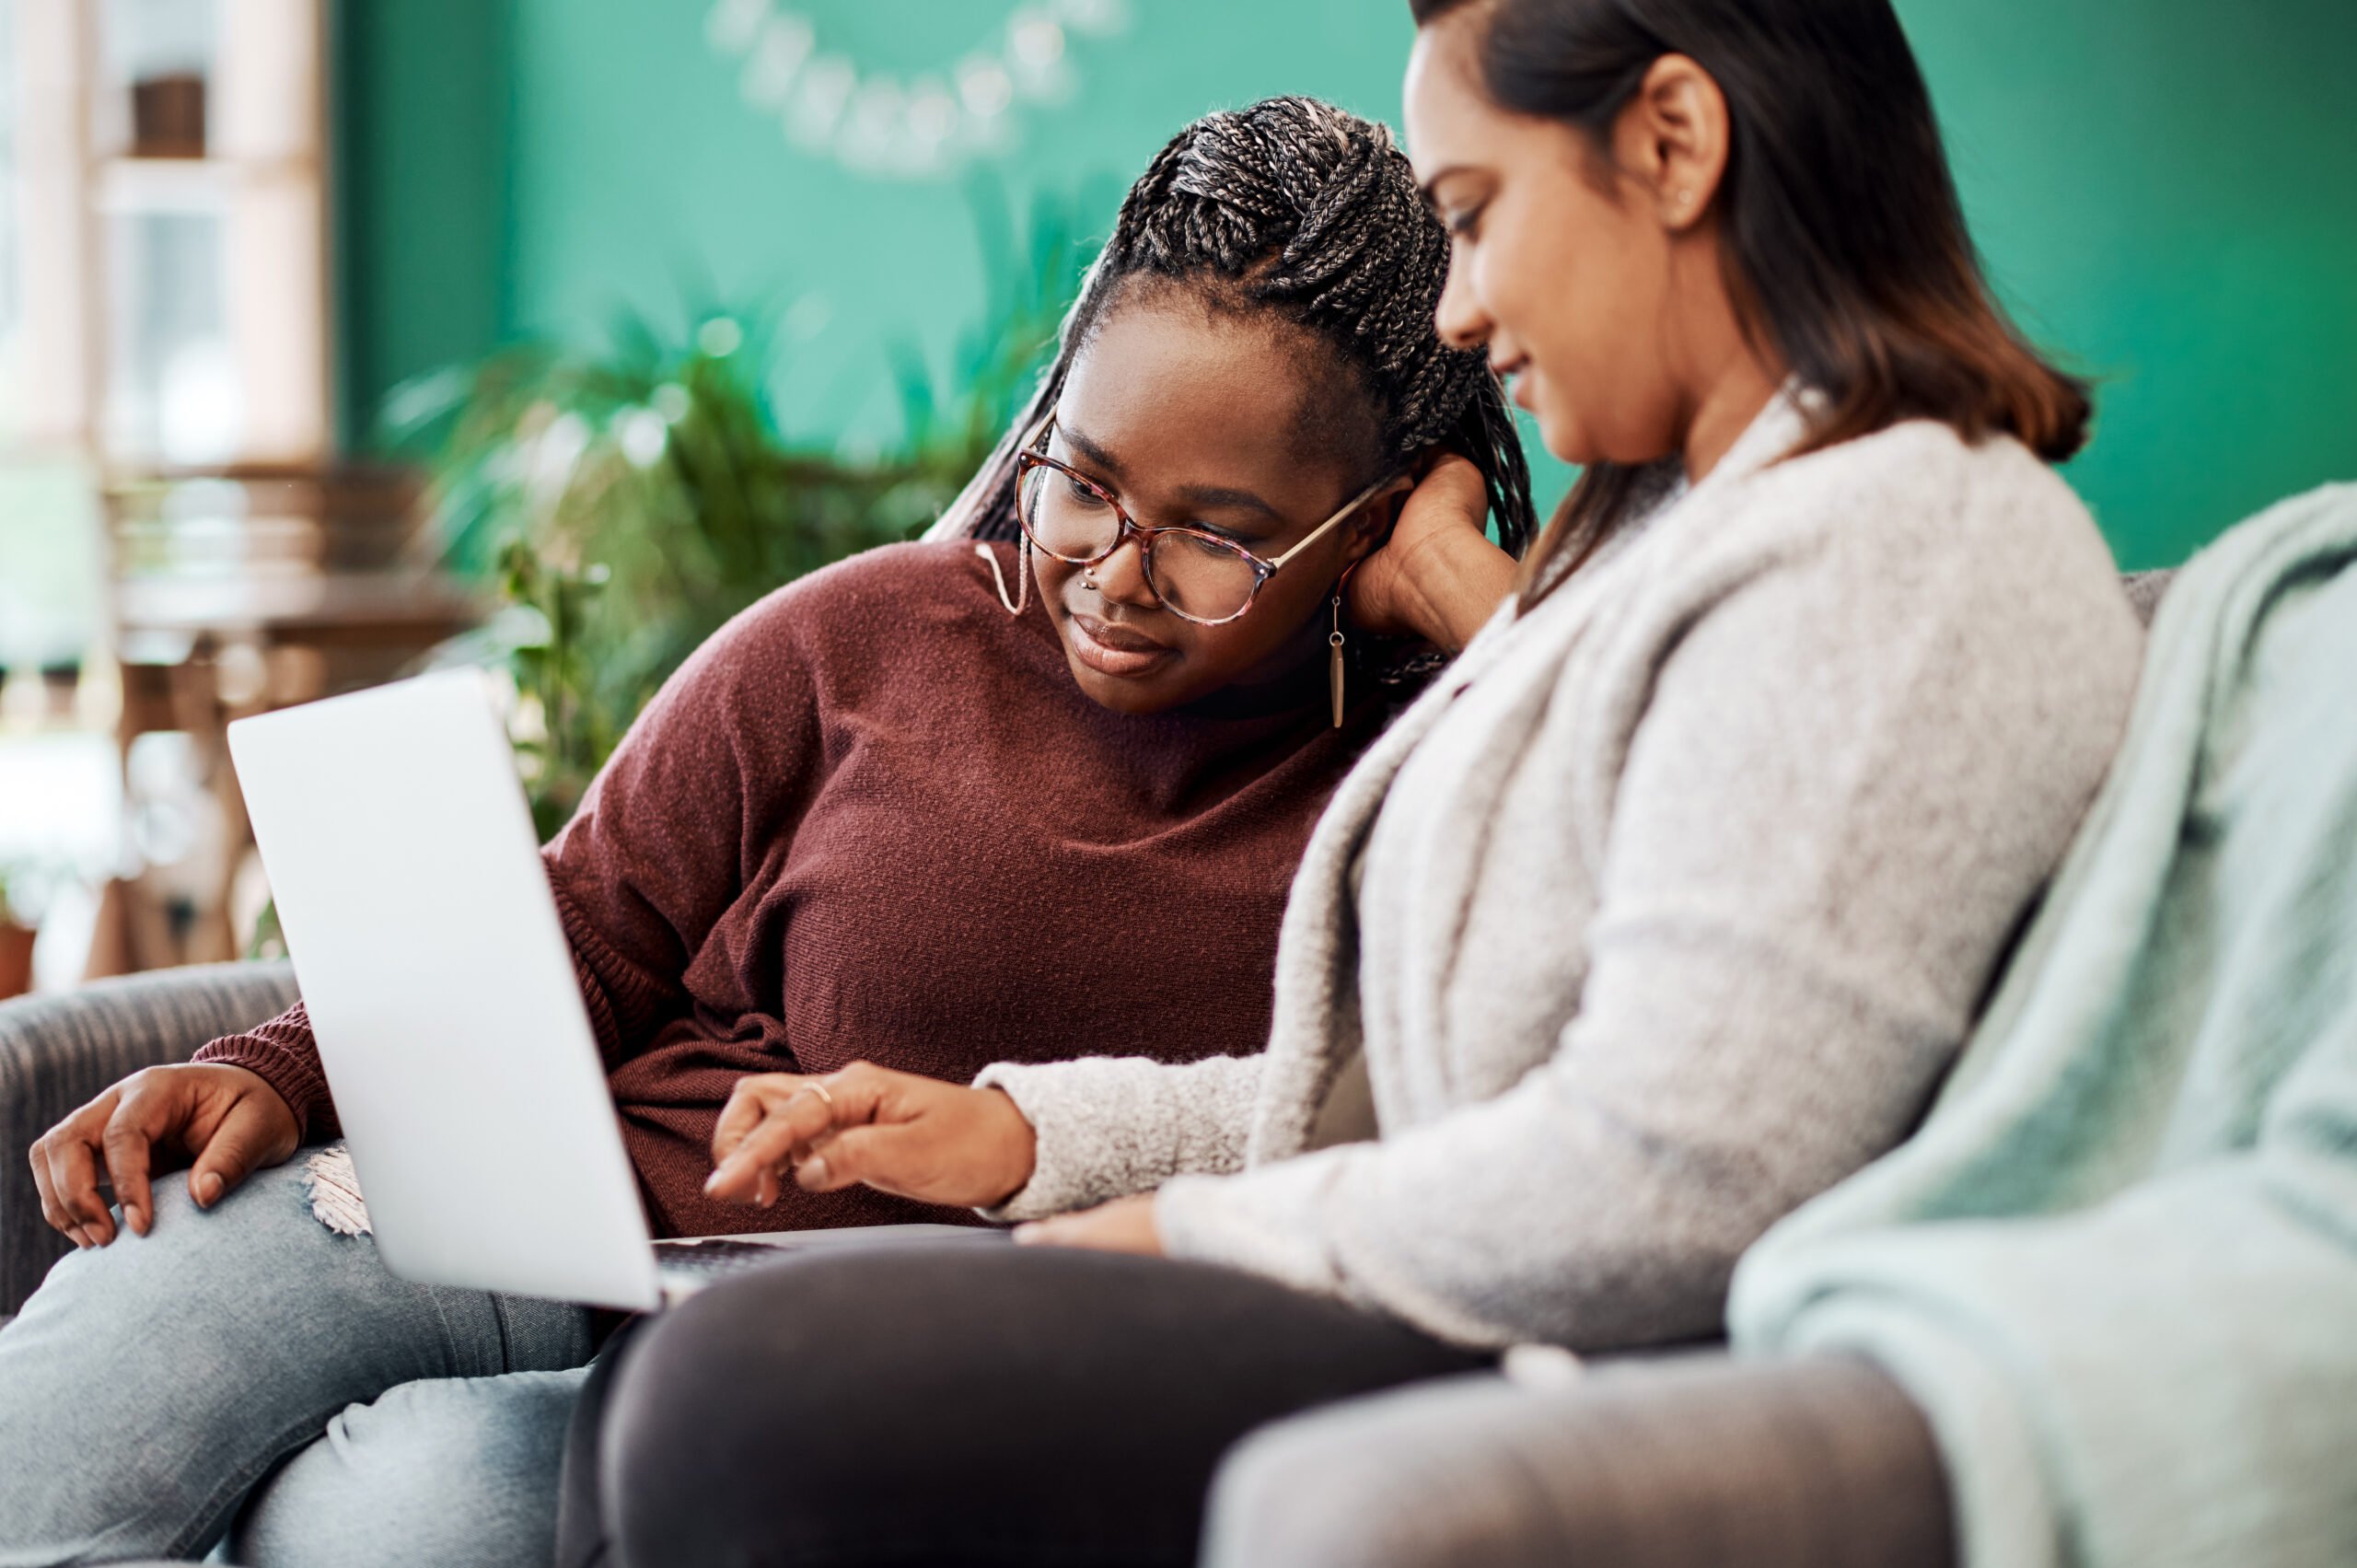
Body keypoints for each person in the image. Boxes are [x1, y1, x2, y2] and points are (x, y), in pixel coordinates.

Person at [559, 2, 2149, 1564]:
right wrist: (1026, 1137)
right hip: (1460, 1276)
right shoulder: (1700, 531)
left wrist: (1171, 1239)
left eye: (1475, 212)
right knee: (714, 1379)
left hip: (1580, 1345)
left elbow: (1672, 1177)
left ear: (1674, 142)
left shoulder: (1903, 555)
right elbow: (1422, 1091)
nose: (1455, 311)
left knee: (733, 1394)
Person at [0, 97, 1535, 1568]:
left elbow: (1470, 1089)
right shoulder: (868, 635)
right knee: (91, 1389)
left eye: (1219, 538)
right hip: (545, 1213)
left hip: (836, 1361)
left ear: (1376, 517)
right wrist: (278, 1065)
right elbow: (594, 915)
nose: (1113, 577)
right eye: (1083, 483)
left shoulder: (1455, 764)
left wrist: (1480, 605)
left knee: (413, 1510)